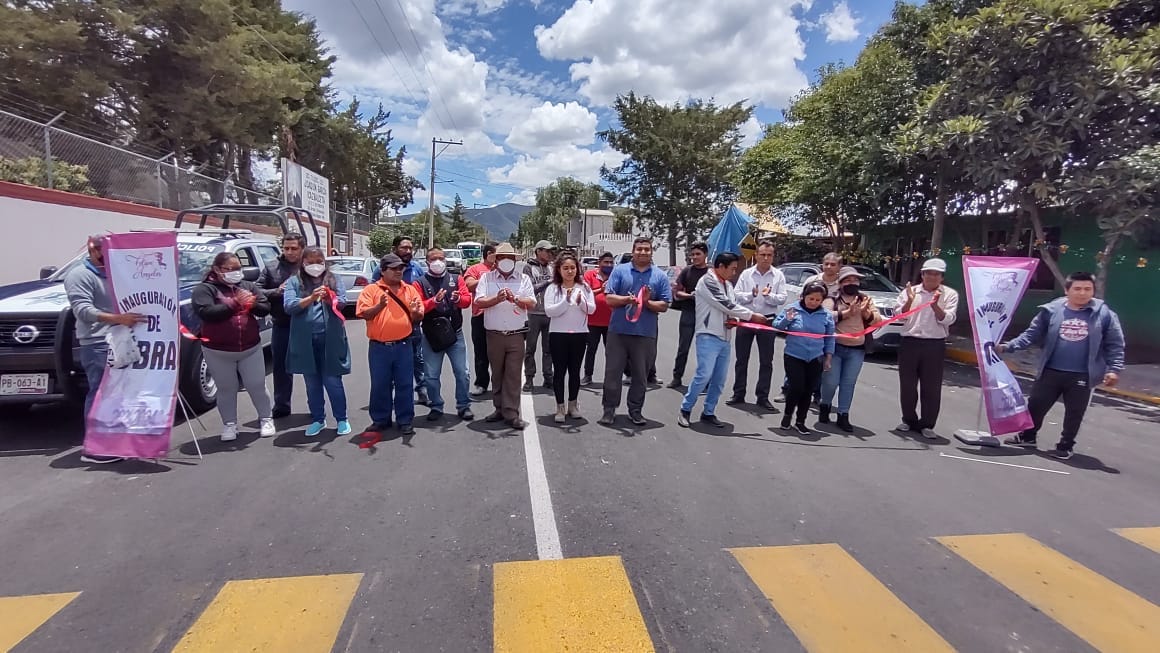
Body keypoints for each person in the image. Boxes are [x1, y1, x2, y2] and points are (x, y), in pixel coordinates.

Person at [998, 271, 1125, 459]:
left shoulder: (1104, 315)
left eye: (1087, 289)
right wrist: (1008, 347)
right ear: (1067, 290)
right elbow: (1031, 334)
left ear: (1093, 291)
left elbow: (1115, 344)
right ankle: (1028, 436)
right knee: (1036, 405)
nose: (1082, 293)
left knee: (1075, 412)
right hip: (1051, 370)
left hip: (1082, 375)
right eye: (1078, 289)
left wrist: (1114, 369)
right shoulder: (1051, 311)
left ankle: (1065, 445)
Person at [64, 235, 148, 464]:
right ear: (91, 251)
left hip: (120, 339)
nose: (105, 256)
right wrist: (117, 318)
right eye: (100, 251)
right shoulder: (80, 275)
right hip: (98, 343)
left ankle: (112, 442)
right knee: (102, 394)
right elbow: (82, 310)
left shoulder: (115, 273)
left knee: (116, 394)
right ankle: (96, 449)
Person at [190, 252, 275, 442]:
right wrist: (236, 303)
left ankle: (266, 418)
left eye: (238, 268)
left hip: (250, 348)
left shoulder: (248, 286)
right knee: (226, 388)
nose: (236, 272)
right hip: (217, 350)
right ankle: (229, 424)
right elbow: (207, 313)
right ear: (217, 270)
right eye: (231, 269)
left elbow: (265, 307)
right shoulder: (205, 290)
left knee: (257, 385)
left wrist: (252, 303)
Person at [677, 252, 768, 428]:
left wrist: (736, 321)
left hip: (724, 338)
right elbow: (725, 304)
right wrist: (751, 316)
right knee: (703, 375)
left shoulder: (727, 284)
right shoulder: (708, 281)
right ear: (720, 267)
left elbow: (730, 308)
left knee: (719, 380)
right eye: (732, 268)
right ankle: (685, 409)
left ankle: (708, 412)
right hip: (708, 335)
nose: (734, 272)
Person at [599, 237, 672, 427]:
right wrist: (627, 300)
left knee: (641, 376)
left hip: (645, 334)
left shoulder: (660, 276)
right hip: (618, 332)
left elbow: (664, 305)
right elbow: (609, 299)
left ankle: (635, 410)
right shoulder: (620, 271)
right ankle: (609, 409)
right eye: (639, 249)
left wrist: (646, 302)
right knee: (613, 373)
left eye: (647, 249)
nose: (643, 252)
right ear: (633, 251)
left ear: (651, 252)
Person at [283, 248, 351, 437]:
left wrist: (331, 299)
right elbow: (289, 306)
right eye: (310, 262)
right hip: (305, 341)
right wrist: (310, 298)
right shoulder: (294, 281)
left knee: (333, 381)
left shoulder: (334, 279)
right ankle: (318, 419)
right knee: (312, 384)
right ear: (303, 263)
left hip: (330, 339)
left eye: (319, 261)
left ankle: (341, 419)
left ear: (324, 262)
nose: (315, 266)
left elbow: (343, 302)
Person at [358, 253, 425, 437]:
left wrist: (415, 313)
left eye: (401, 268)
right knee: (380, 384)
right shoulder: (371, 290)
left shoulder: (409, 290)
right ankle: (380, 419)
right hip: (379, 347)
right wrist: (379, 306)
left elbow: (419, 316)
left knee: (404, 384)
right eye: (394, 268)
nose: (398, 271)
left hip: (404, 345)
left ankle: (405, 420)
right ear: (383, 270)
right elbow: (364, 313)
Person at [894, 257, 960, 438]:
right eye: (928, 273)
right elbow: (899, 316)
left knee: (931, 387)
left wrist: (936, 305)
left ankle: (927, 424)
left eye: (936, 274)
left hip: (934, 344)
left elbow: (948, 319)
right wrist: (909, 300)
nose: (932, 277)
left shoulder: (949, 294)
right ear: (922, 275)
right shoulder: (911, 291)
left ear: (942, 277)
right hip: (910, 342)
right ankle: (908, 419)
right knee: (907, 385)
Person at [474, 243, 537, 429]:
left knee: (513, 374)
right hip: (494, 334)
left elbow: (531, 302)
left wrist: (515, 299)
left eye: (510, 258)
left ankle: (511, 412)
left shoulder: (523, 278)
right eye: (503, 258)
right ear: (497, 260)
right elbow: (479, 301)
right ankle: (499, 408)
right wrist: (497, 299)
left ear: (514, 260)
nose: (507, 261)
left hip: (516, 335)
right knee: (497, 373)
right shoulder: (487, 278)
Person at [414, 247, 474, 422]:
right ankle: (436, 405)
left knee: (463, 372)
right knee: (431, 375)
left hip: (455, 333)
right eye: (434, 259)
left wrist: (458, 299)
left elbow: (467, 300)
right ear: (427, 262)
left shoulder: (456, 279)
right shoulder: (419, 283)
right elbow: (419, 308)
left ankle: (463, 405)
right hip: (432, 336)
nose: (438, 262)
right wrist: (434, 301)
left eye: (441, 258)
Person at [818, 267, 880, 432]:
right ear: (841, 282)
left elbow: (878, 320)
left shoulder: (865, 299)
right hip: (834, 348)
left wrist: (866, 313)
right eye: (848, 280)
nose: (852, 283)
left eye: (855, 280)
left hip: (857, 350)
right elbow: (824, 315)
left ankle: (843, 415)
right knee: (830, 382)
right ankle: (825, 405)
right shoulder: (833, 298)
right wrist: (846, 312)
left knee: (848, 383)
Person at [730, 240, 787, 410]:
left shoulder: (778, 275)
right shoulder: (747, 274)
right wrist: (751, 295)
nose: (765, 258)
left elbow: (782, 298)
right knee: (741, 359)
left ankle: (762, 396)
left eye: (769, 255)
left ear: (773, 256)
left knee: (766, 361)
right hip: (747, 319)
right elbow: (737, 295)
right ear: (756, 255)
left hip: (767, 320)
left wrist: (769, 297)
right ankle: (738, 393)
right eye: (762, 254)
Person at [373, 237, 428, 405]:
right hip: (389, 323)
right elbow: (374, 291)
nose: (408, 251)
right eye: (404, 248)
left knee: (417, 357)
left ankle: (421, 390)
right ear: (395, 248)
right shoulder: (380, 270)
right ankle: (388, 397)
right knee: (390, 366)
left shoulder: (417, 268)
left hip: (413, 322)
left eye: (410, 248)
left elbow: (423, 290)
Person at [774, 282, 835, 435]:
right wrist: (786, 319)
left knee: (808, 390)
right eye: (810, 299)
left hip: (816, 357)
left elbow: (829, 338)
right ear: (803, 296)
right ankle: (787, 416)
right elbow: (777, 327)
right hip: (794, 355)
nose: (813, 302)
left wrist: (828, 358)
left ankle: (800, 421)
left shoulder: (826, 315)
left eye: (817, 300)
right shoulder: (792, 308)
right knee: (796, 387)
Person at [257, 233, 305, 418]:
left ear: (302, 248)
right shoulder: (271, 269)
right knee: (281, 367)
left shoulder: (310, 266)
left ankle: (316, 407)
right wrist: (278, 290)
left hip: (308, 325)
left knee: (314, 367)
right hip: (282, 325)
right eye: (286, 248)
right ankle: (282, 405)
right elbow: (257, 290)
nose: (290, 252)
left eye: (294, 248)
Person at [544, 253, 595, 423]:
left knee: (575, 371)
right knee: (559, 372)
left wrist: (581, 302)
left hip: (579, 335)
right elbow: (550, 311)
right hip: (558, 335)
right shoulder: (553, 288)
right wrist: (566, 300)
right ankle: (560, 407)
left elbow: (591, 309)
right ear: (558, 269)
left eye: (572, 268)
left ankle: (573, 405)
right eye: (565, 268)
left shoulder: (584, 287)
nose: (569, 271)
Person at [668, 242, 710, 389]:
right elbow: (677, 292)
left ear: (705, 255)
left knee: (705, 349)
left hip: (706, 315)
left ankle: (705, 381)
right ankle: (677, 377)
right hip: (688, 312)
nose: (695, 257)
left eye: (698, 254)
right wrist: (689, 296)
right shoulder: (687, 271)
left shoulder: (712, 273)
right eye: (693, 254)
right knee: (683, 347)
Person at [464, 242, 498, 395]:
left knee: (499, 352)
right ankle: (481, 383)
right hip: (480, 315)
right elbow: (469, 285)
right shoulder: (475, 269)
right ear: (489, 253)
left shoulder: (501, 269)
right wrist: (486, 278)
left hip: (499, 315)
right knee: (481, 352)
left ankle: (499, 384)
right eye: (496, 254)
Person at [523, 240, 556, 391]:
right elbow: (530, 289)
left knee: (549, 348)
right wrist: (548, 282)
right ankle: (529, 378)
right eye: (547, 251)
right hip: (533, 313)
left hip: (549, 313)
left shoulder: (552, 267)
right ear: (538, 251)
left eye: (551, 251)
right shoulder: (528, 268)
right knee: (530, 348)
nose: (550, 254)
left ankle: (548, 377)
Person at [581, 251, 615, 385]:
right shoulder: (590, 275)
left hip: (611, 321)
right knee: (591, 350)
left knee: (612, 351)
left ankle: (612, 377)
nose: (609, 265)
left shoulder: (615, 276)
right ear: (599, 263)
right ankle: (588, 375)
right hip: (593, 321)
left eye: (611, 262)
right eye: (606, 262)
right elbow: (585, 293)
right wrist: (601, 289)